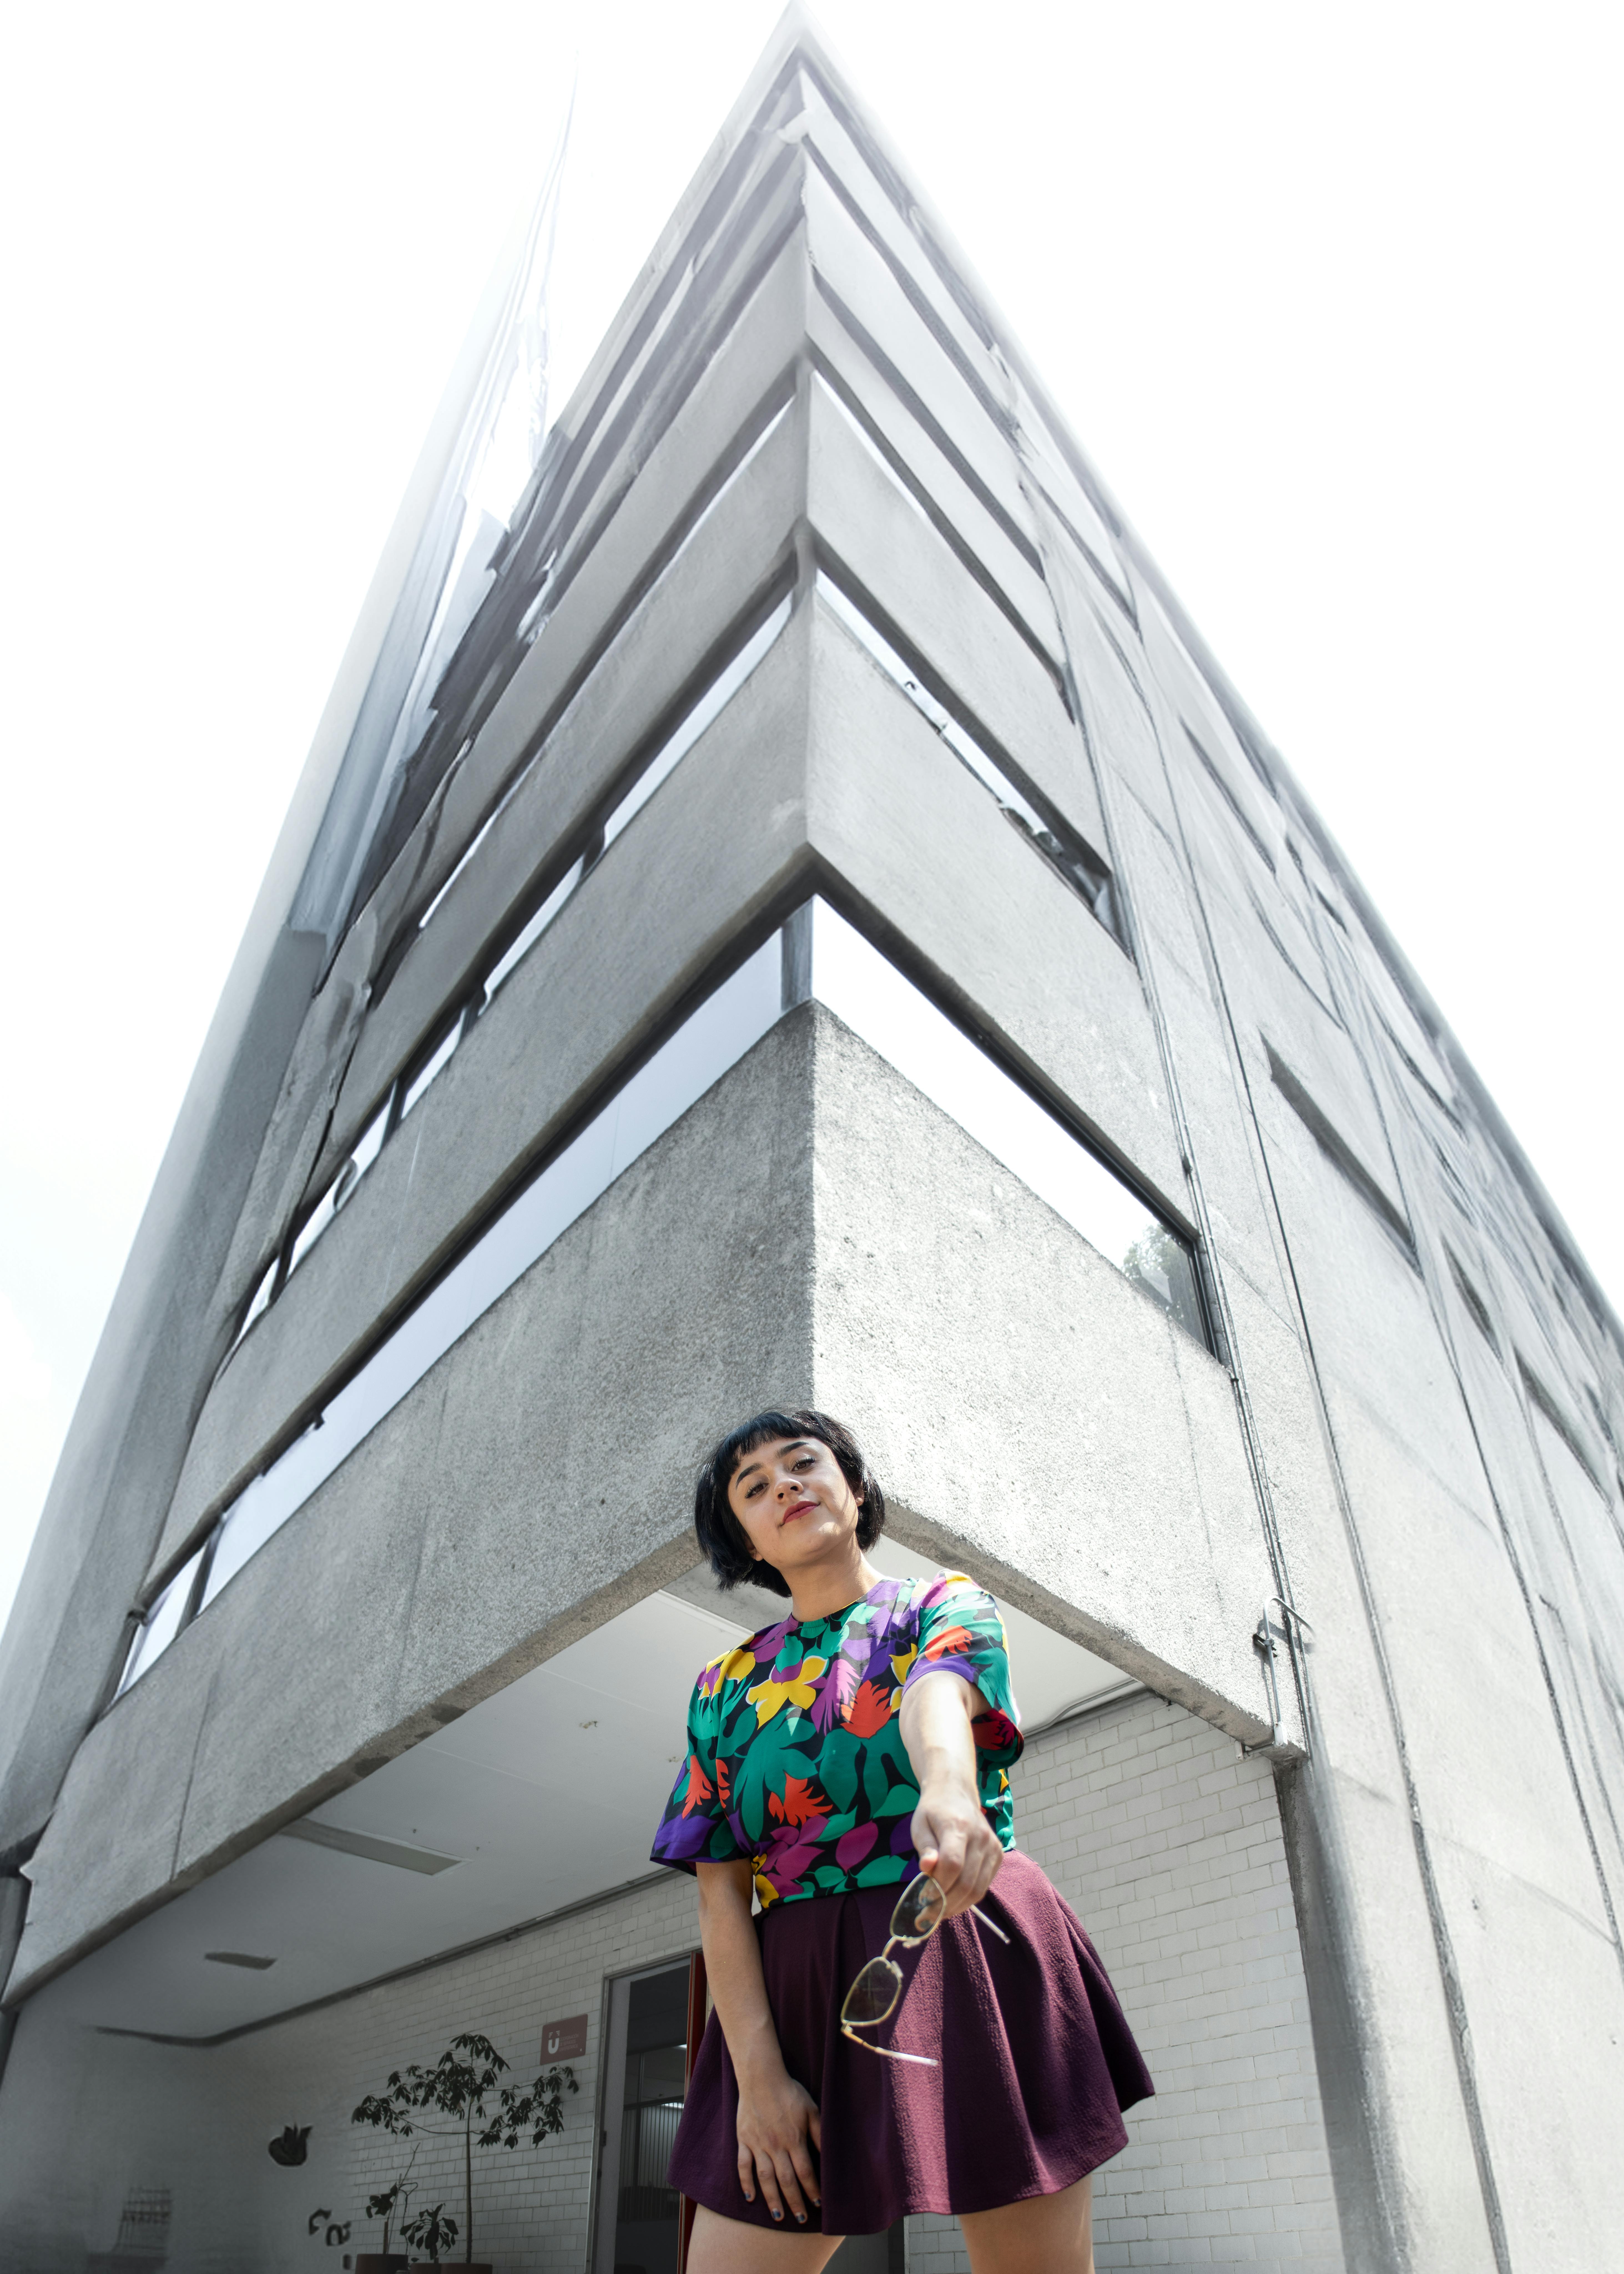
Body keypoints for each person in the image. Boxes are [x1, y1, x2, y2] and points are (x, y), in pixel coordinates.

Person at [650, 1409, 1153, 2274]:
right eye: (755, 1487)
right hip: (797, 1988)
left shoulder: (940, 1602)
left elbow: (937, 1693)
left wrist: (948, 1789)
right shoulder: (723, 1686)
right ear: (746, 1542)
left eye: (802, 1463)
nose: (786, 1487)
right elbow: (718, 1890)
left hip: (967, 1946)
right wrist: (760, 2080)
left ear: (851, 1484)